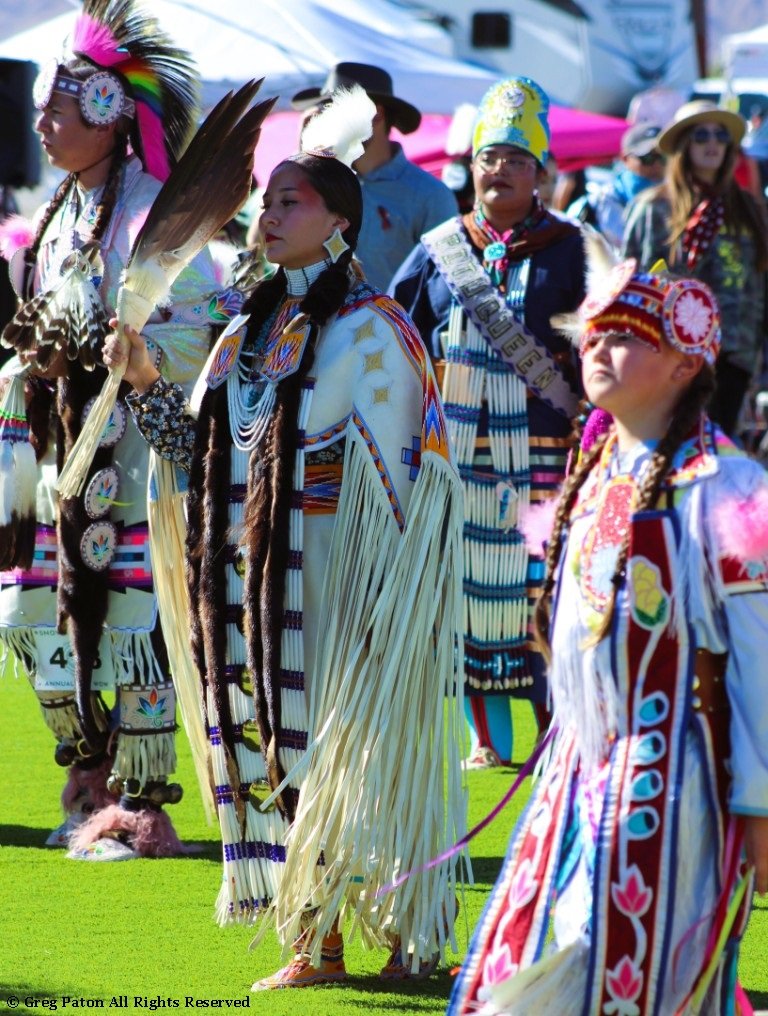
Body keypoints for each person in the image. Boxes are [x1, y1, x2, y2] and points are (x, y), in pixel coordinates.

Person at [103, 85, 465, 988]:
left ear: (340, 219)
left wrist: (383, 611)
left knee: (351, 752)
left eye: (289, 200)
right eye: (264, 202)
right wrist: (145, 379)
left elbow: (408, 492)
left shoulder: (375, 333)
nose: (267, 214)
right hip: (254, 587)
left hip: (339, 585)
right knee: (277, 744)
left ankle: (403, 936)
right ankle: (317, 940)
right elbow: (192, 454)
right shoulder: (237, 340)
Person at [448, 257, 768, 1015]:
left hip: (675, 779)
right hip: (576, 773)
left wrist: (758, 804)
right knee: (532, 960)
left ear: (687, 361)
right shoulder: (595, 478)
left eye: (625, 335)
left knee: (625, 965)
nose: (596, 348)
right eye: (593, 333)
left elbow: (760, 663)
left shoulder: (730, 490)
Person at [0, 0, 219, 857]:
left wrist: (122, 349)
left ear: (108, 116)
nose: (44, 126)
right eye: (42, 111)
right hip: (57, 455)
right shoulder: (57, 213)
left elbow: (194, 326)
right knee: (32, 614)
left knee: (131, 630)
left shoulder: (154, 212)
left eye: (60, 110)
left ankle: (140, 804)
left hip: (130, 459)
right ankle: (84, 774)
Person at [391, 77, 586, 769]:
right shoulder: (442, 248)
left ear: (540, 173)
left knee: (542, 590)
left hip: (543, 451)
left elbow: (599, 345)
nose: (499, 169)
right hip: (460, 455)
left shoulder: (572, 249)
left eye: (515, 159)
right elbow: (397, 337)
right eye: (488, 157)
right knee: (471, 592)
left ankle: (559, 727)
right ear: (470, 166)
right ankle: (491, 741)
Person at [622, 100, 768, 438]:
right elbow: (629, 284)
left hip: (734, 355)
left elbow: (759, 284)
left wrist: (754, 359)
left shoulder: (747, 208)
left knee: (719, 452)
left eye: (720, 136)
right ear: (684, 144)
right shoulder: (652, 208)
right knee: (669, 449)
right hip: (669, 355)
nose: (713, 143)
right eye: (701, 135)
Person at [291, 62, 458, 291]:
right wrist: (302, 157)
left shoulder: (430, 196)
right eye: (324, 111)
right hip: (312, 324)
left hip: (393, 325)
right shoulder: (316, 182)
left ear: (376, 114)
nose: (326, 122)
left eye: (335, 110)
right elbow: (259, 244)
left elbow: (444, 286)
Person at [567, 122, 665, 250]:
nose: (657, 165)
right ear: (625, 158)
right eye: (648, 157)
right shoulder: (598, 203)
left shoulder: (682, 196)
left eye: (663, 157)